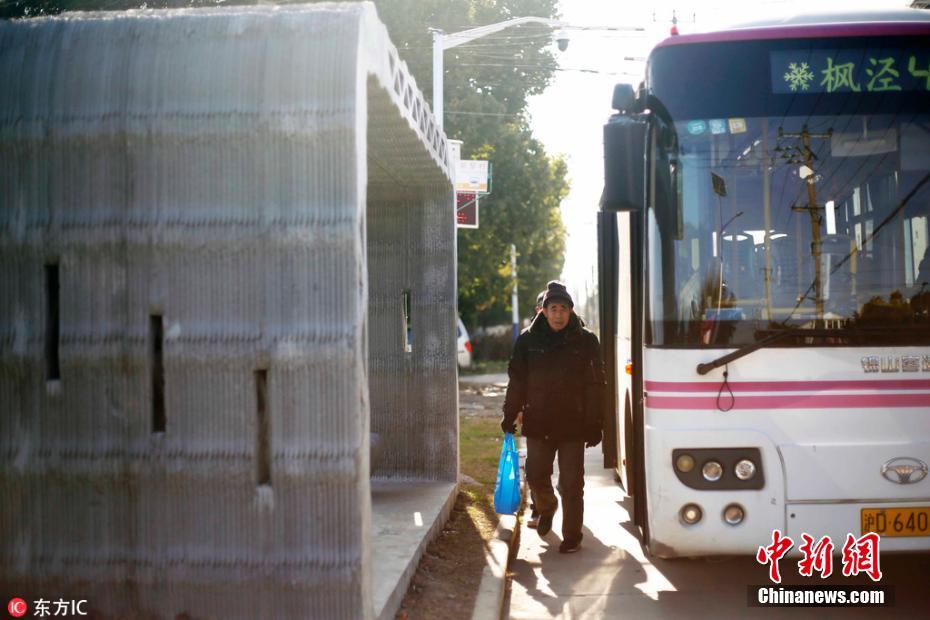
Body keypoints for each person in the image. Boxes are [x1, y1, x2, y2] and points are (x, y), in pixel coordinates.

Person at [501, 281, 606, 553]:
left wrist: (595, 423)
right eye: (553, 309)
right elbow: (517, 381)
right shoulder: (527, 340)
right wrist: (509, 413)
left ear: (571, 311)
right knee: (535, 475)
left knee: (572, 484)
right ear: (544, 311)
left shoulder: (586, 340)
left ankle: (572, 535)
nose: (558, 314)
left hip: (574, 423)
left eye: (563, 309)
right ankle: (546, 506)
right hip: (539, 423)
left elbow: (595, 385)